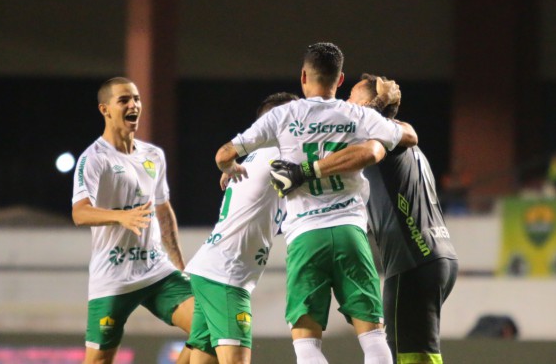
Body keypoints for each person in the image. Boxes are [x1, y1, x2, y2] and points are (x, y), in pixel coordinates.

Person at [215, 42, 417, 364]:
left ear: (303, 76)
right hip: (351, 232)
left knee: (307, 346)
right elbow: (408, 137)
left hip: (306, 235)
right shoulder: (358, 114)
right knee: (374, 337)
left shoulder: (283, 115)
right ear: (340, 81)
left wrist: (230, 168)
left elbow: (225, 153)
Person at [271, 74, 459, 364]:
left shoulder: (379, 138)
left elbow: (359, 137)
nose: (346, 105)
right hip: (437, 254)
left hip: (412, 259)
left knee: (408, 356)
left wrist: (303, 171)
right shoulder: (401, 136)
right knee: (420, 351)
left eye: (352, 99)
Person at [72, 77, 193, 364]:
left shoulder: (154, 155)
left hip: (156, 270)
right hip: (114, 276)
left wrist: (179, 264)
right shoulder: (94, 159)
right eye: (124, 100)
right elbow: (79, 212)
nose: (134, 105)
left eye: (136, 99)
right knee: (99, 360)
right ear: (105, 110)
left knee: (212, 326)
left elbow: (163, 211)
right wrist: (120, 217)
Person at [185, 92, 298, 364]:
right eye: (297, 117)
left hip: (214, 270)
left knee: (198, 359)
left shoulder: (256, 157)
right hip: (226, 275)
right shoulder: (278, 156)